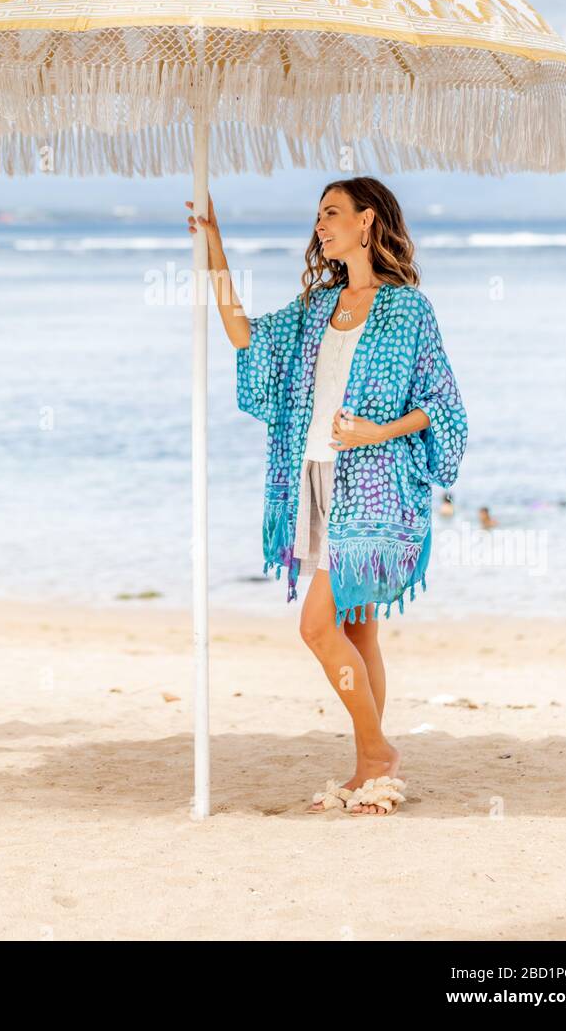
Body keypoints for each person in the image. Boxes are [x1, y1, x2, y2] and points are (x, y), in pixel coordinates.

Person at [187, 177, 468, 816]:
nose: (321, 224)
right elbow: (244, 335)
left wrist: (377, 430)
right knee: (359, 633)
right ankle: (370, 765)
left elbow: (442, 406)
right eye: (318, 216)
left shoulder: (407, 310)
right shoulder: (318, 307)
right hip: (312, 481)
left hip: (375, 490)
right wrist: (214, 245)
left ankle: (377, 754)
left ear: (367, 221)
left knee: (317, 627)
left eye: (333, 213)